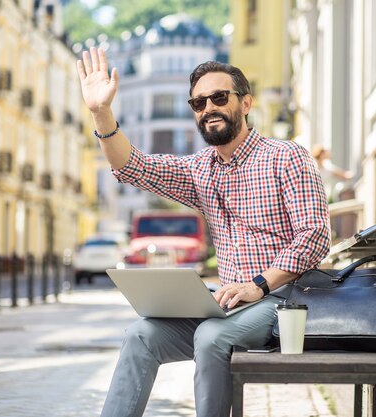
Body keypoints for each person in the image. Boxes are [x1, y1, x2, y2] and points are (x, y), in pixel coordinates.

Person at [76, 47, 331, 417]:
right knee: (140, 335)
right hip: (227, 303)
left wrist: (257, 284)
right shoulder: (200, 170)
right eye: (198, 103)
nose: (208, 107)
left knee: (211, 337)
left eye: (219, 97)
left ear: (246, 103)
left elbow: (315, 234)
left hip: (283, 299)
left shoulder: (286, 156)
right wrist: (101, 113)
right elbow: (134, 167)